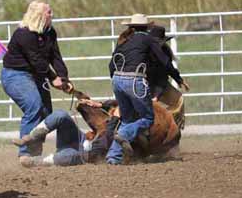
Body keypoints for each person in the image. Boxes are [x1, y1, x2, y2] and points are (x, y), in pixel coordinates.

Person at [106, 14, 189, 165]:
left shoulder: (125, 40)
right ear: (146, 27)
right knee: (147, 118)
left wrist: (117, 80)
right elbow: (165, 63)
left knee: (127, 118)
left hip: (117, 79)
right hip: (134, 79)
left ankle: (113, 157)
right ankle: (127, 135)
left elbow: (111, 64)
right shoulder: (148, 39)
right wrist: (178, 79)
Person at [0, 0, 71, 165]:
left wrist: (64, 78)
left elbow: (55, 57)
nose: (52, 15)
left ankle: (35, 153)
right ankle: (25, 153)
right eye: (49, 12)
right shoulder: (24, 34)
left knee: (46, 112)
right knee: (34, 105)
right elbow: (36, 60)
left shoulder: (49, 32)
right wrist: (54, 78)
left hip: (37, 74)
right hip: (16, 75)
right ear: (39, 15)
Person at [13, 106, 120, 167]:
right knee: (61, 115)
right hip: (80, 138)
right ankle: (31, 137)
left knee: (67, 157)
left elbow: (109, 134)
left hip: (82, 155)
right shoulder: (115, 110)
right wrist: (87, 104)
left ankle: (34, 162)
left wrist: (115, 118)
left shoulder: (126, 126)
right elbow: (101, 113)